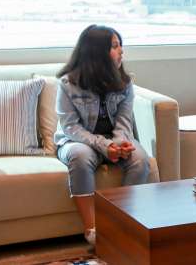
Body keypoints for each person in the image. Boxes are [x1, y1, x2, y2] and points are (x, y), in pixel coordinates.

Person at [54, 25, 150, 245]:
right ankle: (93, 231)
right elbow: (71, 127)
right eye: (115, 46)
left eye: (120, 45)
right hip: (77, 140)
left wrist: (120, 143)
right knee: (80, 156)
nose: (121, 51)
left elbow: (124, 121)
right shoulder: (68, 84)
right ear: (97, 52)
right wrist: (104, 146)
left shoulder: (125, 83)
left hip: (114, 139)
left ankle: (119, 225)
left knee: (140, 160)